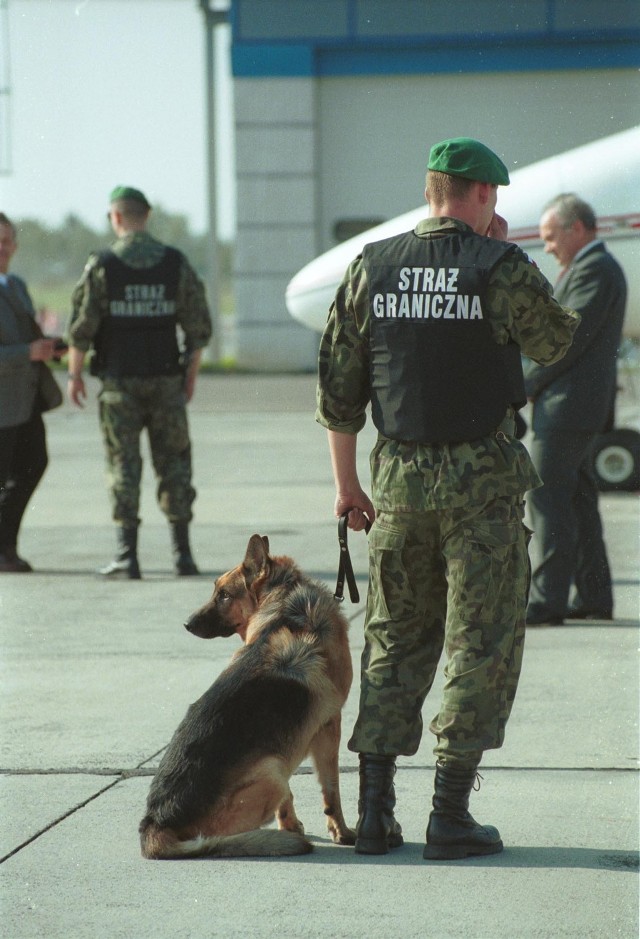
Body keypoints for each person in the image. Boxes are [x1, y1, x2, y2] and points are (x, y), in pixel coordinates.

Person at [316, 138, 580, 860]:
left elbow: (339, 397)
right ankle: (450, 815)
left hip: (397, 488)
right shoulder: (500, 266)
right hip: (484, 492)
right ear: (485, 195)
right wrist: (507, 260)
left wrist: (347, 488)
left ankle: (373, 814)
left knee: (394, 640)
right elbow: (556, 340)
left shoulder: (371, 265)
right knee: (480, 640)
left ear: (430, 190)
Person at [67, 186, 212, 579]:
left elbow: (81, 330)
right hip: (166, 382)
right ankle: (183, 555)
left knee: (122, 466)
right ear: (146, 216)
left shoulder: (102, 265)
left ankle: (127, 556)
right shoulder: (174, 263)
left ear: (115, 218)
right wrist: (189, 378)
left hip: (118, 386)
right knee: (175, 465)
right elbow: (198, 329)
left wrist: (75, 375)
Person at [523, 194, 627, 625]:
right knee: (579, 501)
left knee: (544, 496)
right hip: (576, 408)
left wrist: (521, 385)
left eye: (550, 237)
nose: (547, 246)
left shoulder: (595, 271)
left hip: (568, 409)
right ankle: (593, 596)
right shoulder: (589, 269)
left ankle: (547, 601)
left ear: (576, 229)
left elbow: (564, 341)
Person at [0, 212, 63, 572]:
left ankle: (6, 545)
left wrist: (48, 347)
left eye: (7, 240)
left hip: (26, 402)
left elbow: (28, 334)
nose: (2, 247)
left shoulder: (15, 285)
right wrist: (27, 352)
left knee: (33, 464)